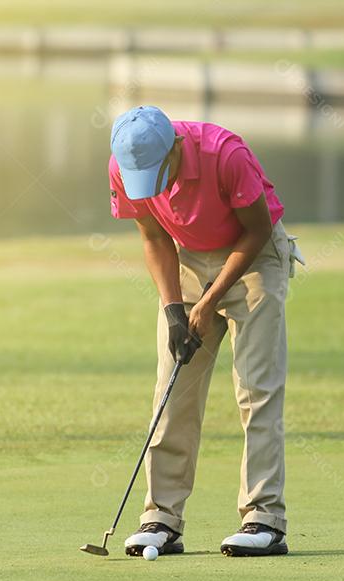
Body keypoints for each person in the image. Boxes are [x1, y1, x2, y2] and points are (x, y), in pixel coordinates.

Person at [106, 106, 303, 557]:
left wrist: (210, 301)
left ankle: (264, 519)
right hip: (189, 260)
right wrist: (175, 309)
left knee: (256, 389)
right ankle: (161, 518)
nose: (154, 186)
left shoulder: (225, 155)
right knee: (172, 390)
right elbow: (154, 238)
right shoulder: (124, 164)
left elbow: (257, 231)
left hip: (253, 258)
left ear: (176, 147)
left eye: (158, 173)